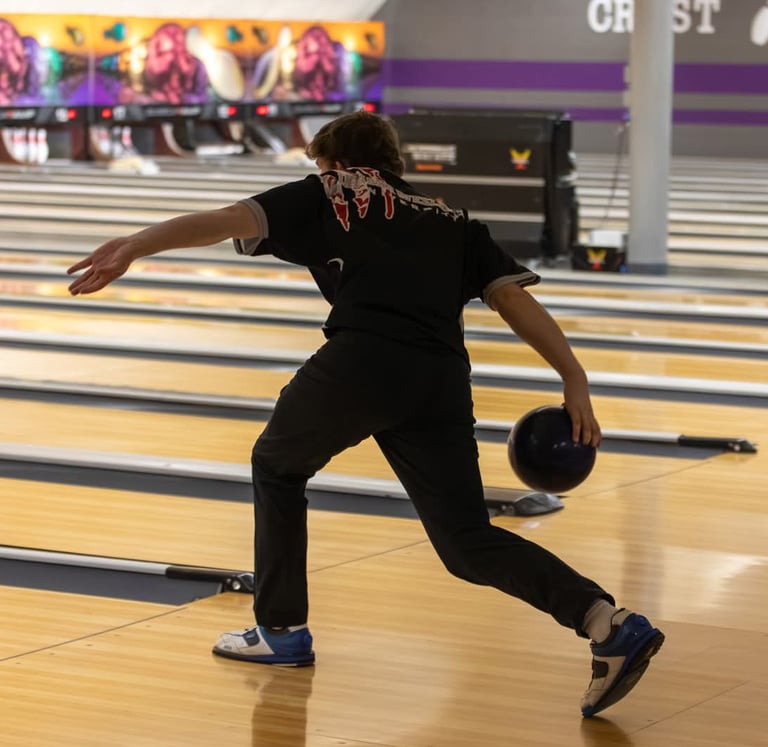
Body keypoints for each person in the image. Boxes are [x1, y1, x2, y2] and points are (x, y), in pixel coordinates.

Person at [67, 111, 664, 717]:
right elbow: (511, 297)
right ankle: (606, 623)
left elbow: (225, 222)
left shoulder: (326, 189)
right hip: (440, 378)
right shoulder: (452, 219)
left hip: (362, 360)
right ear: (395, 163)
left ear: (331, 160)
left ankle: (281, 631)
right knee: (467, 541)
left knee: (277, 467)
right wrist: (574, 377)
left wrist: (136, 245)